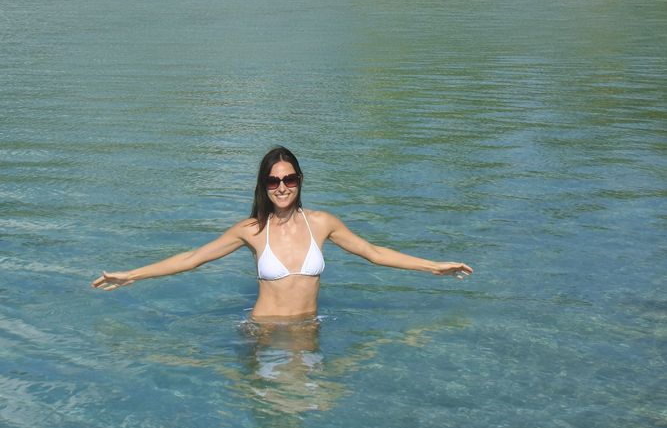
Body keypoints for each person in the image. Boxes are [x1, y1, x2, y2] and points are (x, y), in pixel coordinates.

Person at [92, 146, 473, 321]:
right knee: (271, 416)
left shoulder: (322, 223)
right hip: (262, 332)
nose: (282, 187)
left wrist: (432, 267)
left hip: (309, 329)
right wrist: (132, 274)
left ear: (300, 180)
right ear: (264, 185)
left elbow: (373, 252)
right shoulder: (252, 230)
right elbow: (192, 259)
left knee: (313, 407)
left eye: (289, 178)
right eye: (273, 181)